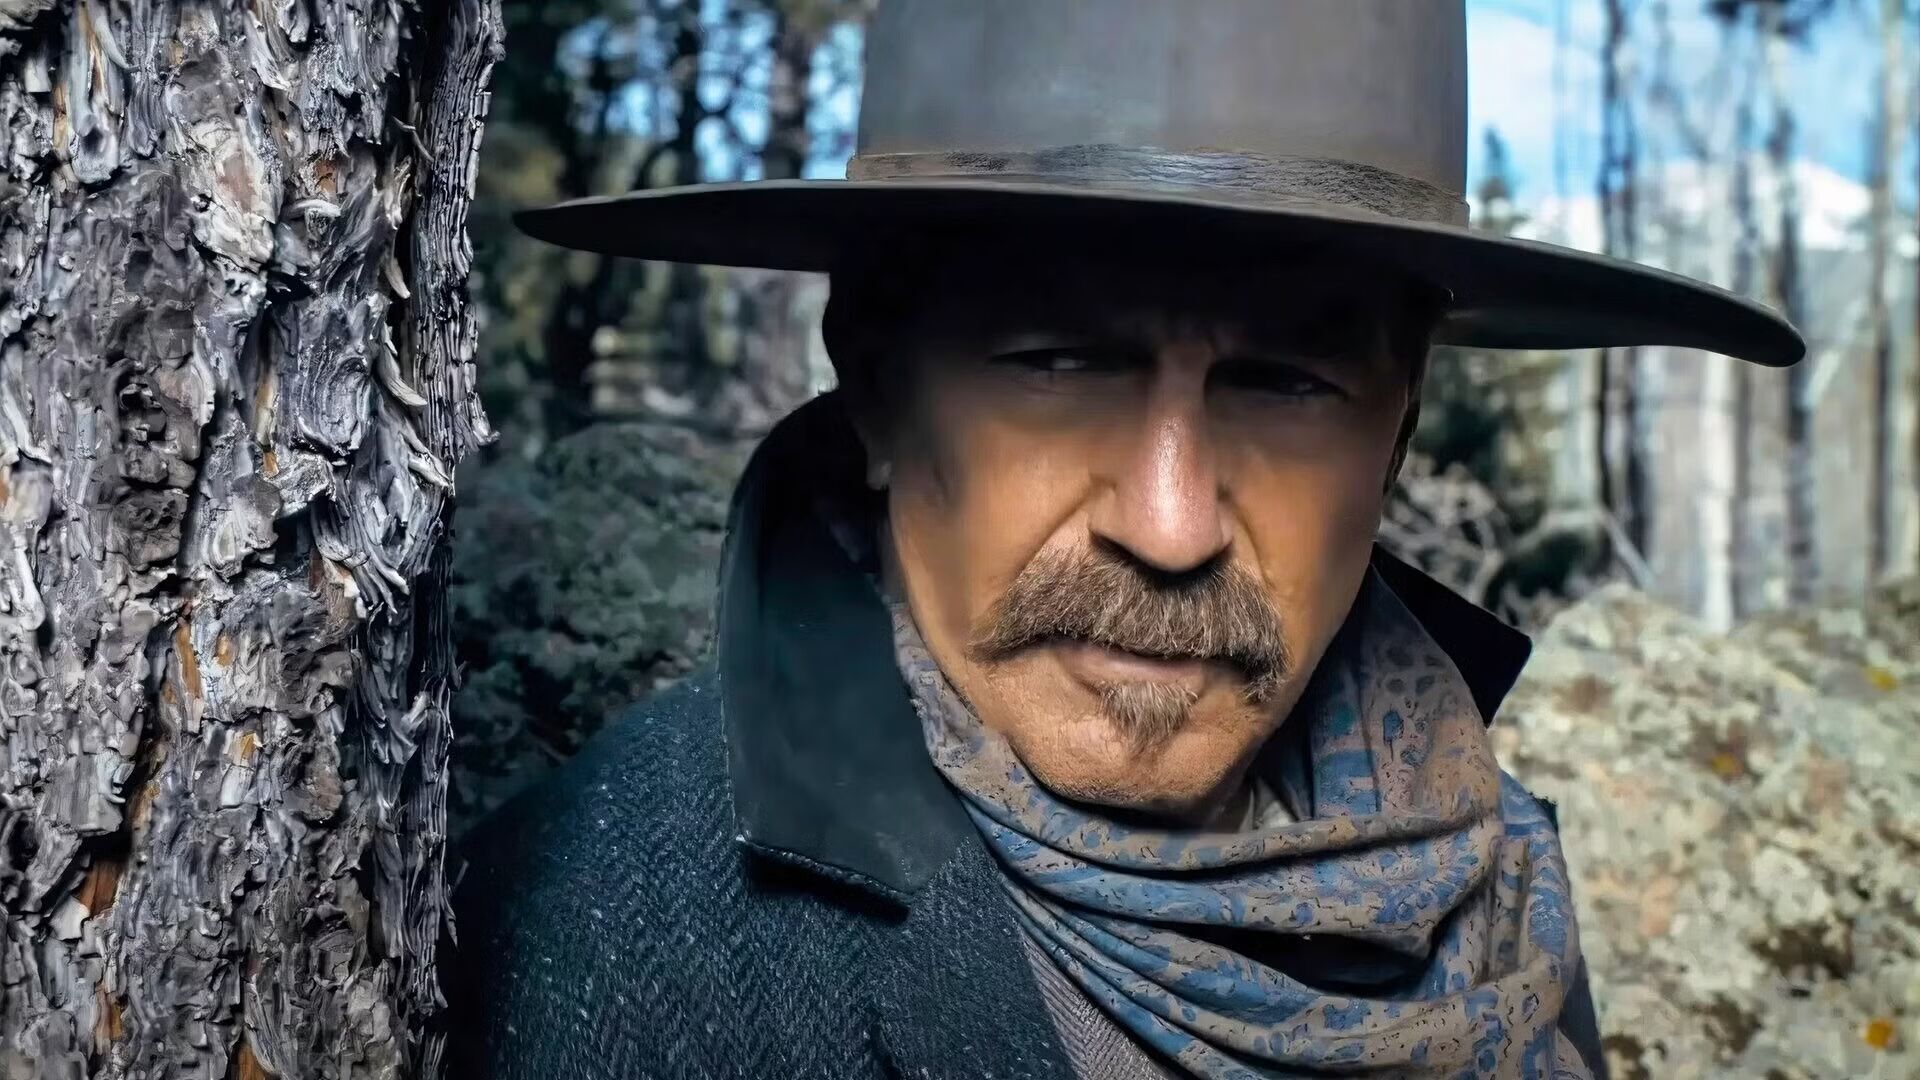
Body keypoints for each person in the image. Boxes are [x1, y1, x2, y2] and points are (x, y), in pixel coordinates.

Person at [445, 2, 1801, 1077]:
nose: (1169, 525)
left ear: (1397, 432)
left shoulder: (1480, 868)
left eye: (1284, 384)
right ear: (876, 384)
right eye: (1059, 361)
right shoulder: (610, 945)